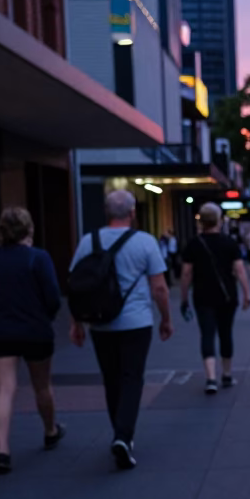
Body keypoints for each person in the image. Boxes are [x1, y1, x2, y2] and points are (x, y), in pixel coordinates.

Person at [69, 190, 172, 471]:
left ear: (106, 212)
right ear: (133, 212)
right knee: (132, 377)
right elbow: (160, 288)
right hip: (136, 322)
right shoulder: (146, 242)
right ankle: (123, 437)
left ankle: (120, 432)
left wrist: (76, 323)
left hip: (100, 323)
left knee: (111, 379)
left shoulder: (88, 241)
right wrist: (166, 318)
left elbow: (75, 284)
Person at [0, 207, 64, 475]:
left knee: (4, 389)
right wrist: (42, 317)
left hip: (0, 331)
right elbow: (53, 298)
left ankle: (2, 450)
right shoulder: (38, 258)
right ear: (29, 230)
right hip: (35, 331)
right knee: (42, 385)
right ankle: (50, 430)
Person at [180, 203, 250, 394]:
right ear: (219, 220)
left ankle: (210, 378)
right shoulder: (229, 242)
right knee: (226, 333)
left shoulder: (194, 244)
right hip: (227, 295)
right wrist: (247, 293)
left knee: (207, 334)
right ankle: (226, 374)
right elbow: (239, 270)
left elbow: (186, 273)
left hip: (202, 295)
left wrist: (184, 296)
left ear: (201, 222)